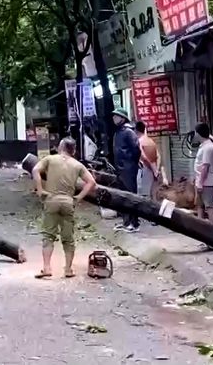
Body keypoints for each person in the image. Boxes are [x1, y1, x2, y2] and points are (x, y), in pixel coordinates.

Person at [32, 138, 97, 279]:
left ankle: (47, 268)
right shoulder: (77, 165)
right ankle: (68, 269)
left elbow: (35, 170)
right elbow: (91, 182)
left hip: (51, 200)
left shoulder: (50, 159)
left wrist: (40, 189)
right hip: (68, 202)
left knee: (48, 236)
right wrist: (79, 197)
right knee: (68, 238)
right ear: (73, 150)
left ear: (60, 147)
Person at [111, 109, 141, 232]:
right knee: (123, 196)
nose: (114, 118)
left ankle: (133, 223)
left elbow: (136, 150)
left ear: (122, 118)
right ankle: (126, 221)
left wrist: (131, 162)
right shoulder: (118, 132)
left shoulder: (128, 132)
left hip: (128, 168)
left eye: (116, 116)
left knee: (130, 195)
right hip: (120, 168)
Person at [193, 123, 213, 220]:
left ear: (198, 133)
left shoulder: (208, 147)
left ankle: (212, 226)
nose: (195, 135)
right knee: (199, 204)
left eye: (195, 132)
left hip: (206, 182)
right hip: (201, 180)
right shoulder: (204, 145)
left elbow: (205, 166)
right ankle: (200, 224)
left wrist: (200, 183)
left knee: (209, 205)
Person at [136, 121, 166, 200]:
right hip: (153, 171)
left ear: (136, 131)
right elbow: (158, 156)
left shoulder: (138, 142)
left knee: (143, 196)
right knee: (152, 194)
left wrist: (152, 169)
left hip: (144, 170)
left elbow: (143, 157)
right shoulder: (151, 142)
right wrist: (156, 169)